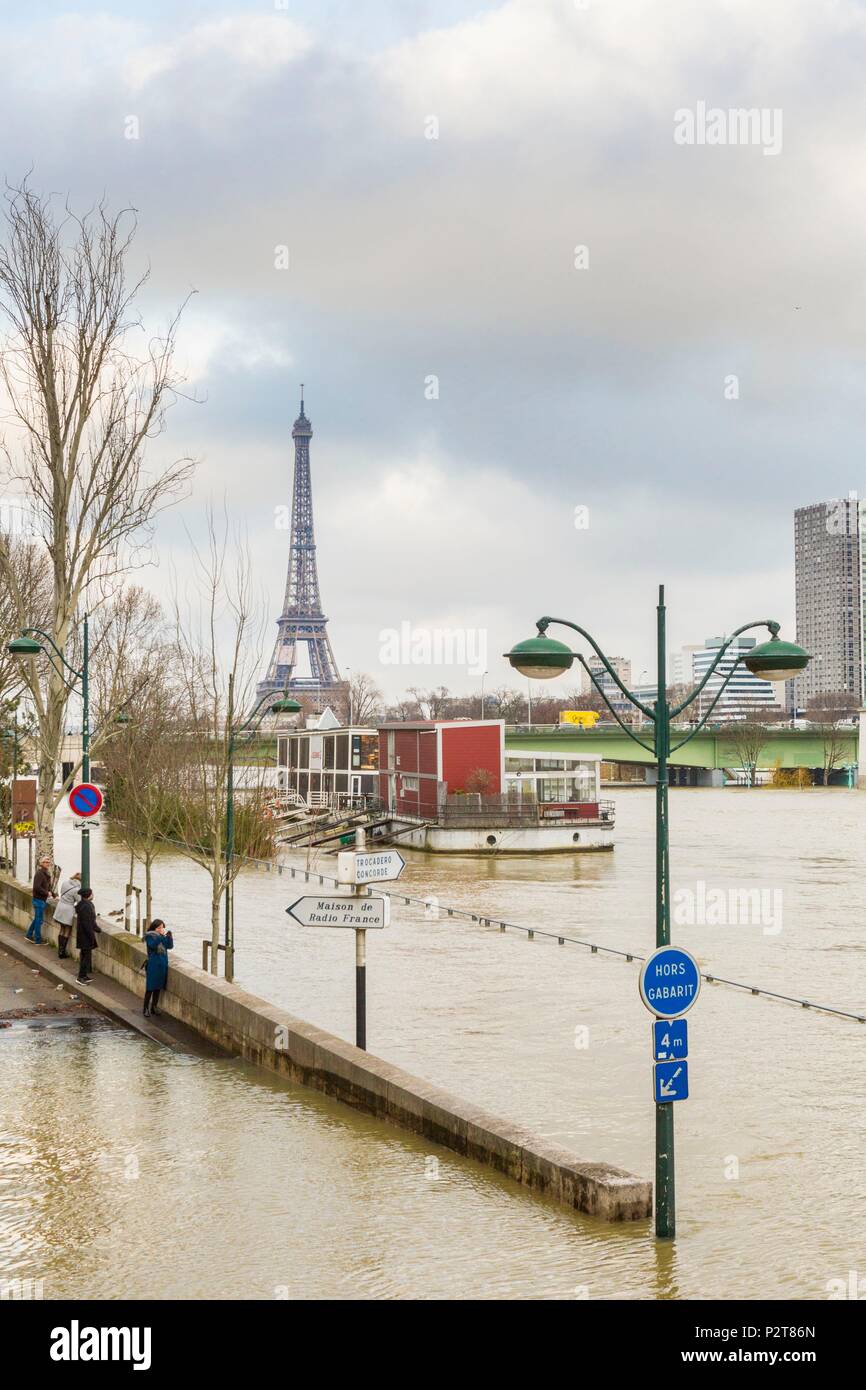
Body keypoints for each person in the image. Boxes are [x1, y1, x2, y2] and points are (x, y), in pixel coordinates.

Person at [143, 919, 173, 1017]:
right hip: (153, 965)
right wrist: (160, 936)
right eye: (159, 927)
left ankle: (154, 1007)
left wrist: (169, 937)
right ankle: (145, 1008)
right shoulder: (150, 936)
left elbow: (169, 946)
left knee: (158, 987)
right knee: (150, 987)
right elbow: (152, 945)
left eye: (162, 927)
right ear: (154, 928)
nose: (161, 929)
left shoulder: (161, 937)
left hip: (162, 965)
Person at [52, 871, 81, 959]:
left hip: (60, 906)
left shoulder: (65, 883)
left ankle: (59, 950)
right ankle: (62, 952)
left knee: (62, 929)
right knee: (67, 930)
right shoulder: (77, 890)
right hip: (68, 909)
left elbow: (61, 893)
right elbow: (79, 901)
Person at [74, 888, 100, 984]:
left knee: (85, 955)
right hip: (85, 936)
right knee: (85, 956)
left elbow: (90, 921)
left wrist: (96, 929)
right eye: (92, 893)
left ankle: (84, 975)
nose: (93, 895)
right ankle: (80, 977)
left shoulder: (81, 905)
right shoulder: (87, 907)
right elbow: (88, 923)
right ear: (89, 895)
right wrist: (92, 935)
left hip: (82, 934)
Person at [26, 856, 54, 944]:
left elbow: (47, 887)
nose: (47, 863)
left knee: (38, 919)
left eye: (48, 862)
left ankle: (29, 935)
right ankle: (38, 940)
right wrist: (46, 893)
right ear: (41, 863)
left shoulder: (45, 873)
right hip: (38, 900)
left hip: (41, 900)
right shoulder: (39, 873)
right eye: (45, 862)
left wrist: (53, 894)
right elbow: (36, 887)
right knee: (39, 920)